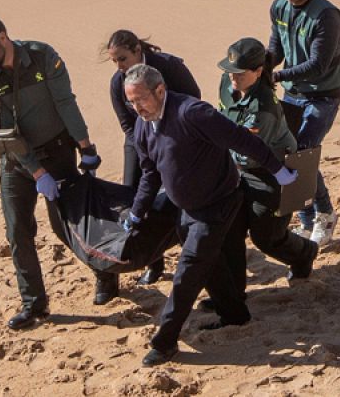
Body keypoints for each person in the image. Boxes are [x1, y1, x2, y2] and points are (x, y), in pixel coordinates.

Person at [123, 64, 298, 367]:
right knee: (211, 261)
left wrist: (278, 170)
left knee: (188, 271)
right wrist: (137, 213)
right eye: (131, 102)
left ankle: (164, 342)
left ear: (160, 91)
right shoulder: (143, 125)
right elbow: (150, 172)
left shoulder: (193, 113)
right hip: (185, 208)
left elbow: (243, 140)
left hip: (218, 203)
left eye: (141, 100)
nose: (137, 108)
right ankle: (234, 314)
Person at [0, 12, 115, 330]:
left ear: (2, 38)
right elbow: (5, 134)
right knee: (18, 231)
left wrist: (85, 147)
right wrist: (36, 173)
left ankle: (105, 273)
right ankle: (34, 305)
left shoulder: (43, 56)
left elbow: (65, 102)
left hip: (58, 151)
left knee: (70, 225)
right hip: (17, 161)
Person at [214, 37, 319, 291]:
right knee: (230, 231)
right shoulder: (229, 84)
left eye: (239, 74)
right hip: (236, 170)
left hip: (269, 174)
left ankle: (304, 253)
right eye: (229, 72)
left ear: (258, 72)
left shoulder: (262, 108)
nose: (232, 78)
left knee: (267, 237)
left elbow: (248, 155)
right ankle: (232, 294)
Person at [101, 30, 200, 284]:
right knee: (134, 196)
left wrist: (169, 142)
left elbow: (193, 97)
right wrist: (148, 150)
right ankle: (152, 263)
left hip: (178, 136)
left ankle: (192, 244)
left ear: (137, 50)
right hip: (140, 141)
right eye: (114, 61)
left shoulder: (168, 66)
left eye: (122, 59)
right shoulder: (117, 83)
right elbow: (126, 124)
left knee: (182, 191)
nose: (119, 66)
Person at [267, 0, 340, 245]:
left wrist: (277, 76)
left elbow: (318, 65)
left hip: (322, 95)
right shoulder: (279, 7)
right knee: (287, 151)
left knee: (303, 153)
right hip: (293, 92)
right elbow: (275, 49)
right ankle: (305, 220)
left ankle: (324, 215)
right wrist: (258, 69)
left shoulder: (327, 15)